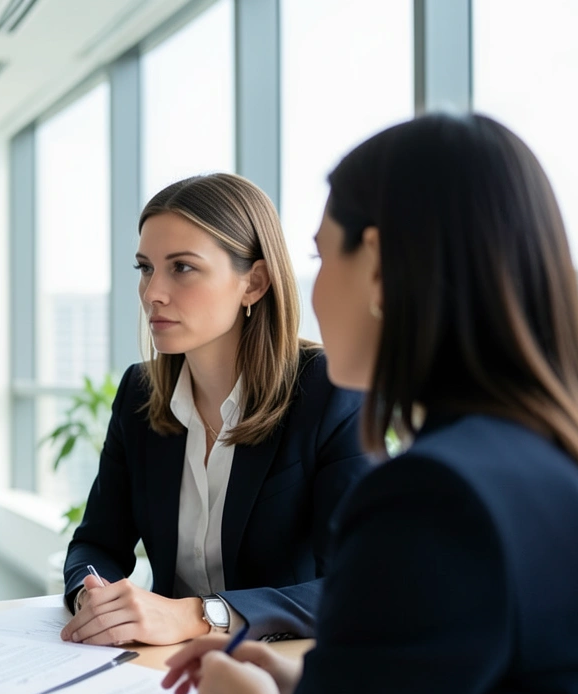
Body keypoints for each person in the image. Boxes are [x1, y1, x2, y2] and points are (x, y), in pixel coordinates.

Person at [163, 113, 578, 694]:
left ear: (381, 268)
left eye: (320, 256)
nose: (316, 288)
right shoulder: (562, 460)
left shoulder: (435, 495)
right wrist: (311, 688)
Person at [61, 173, 371, 647]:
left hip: (277, 668)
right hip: (157, 667)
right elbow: (97, 543)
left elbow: (356, 583)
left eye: (182, 268)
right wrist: (94, 599)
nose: (152, 293)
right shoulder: (139, 393)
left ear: (255, 283)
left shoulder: (328, 392)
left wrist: (201, 616)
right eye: (145, 268)